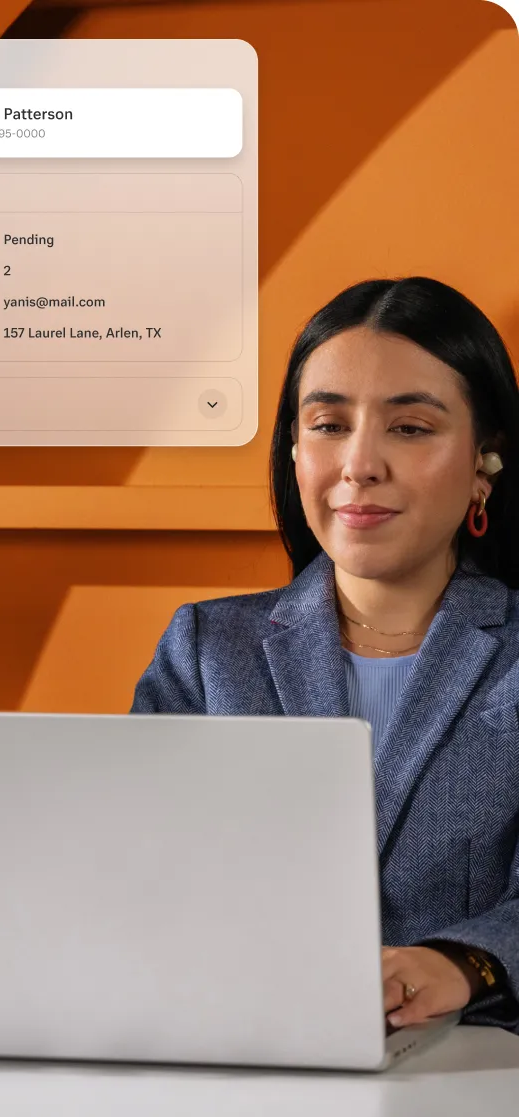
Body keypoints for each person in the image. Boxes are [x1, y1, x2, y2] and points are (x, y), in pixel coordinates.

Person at [131, 277, 519, 1034]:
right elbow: (139, 868)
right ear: (295, 450)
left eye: (409, 428)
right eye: (328, 424)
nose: (360, 464)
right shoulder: (206, 649)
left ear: (484, 465)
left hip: (477, 1071)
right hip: (240, 1051)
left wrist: (462, 962)